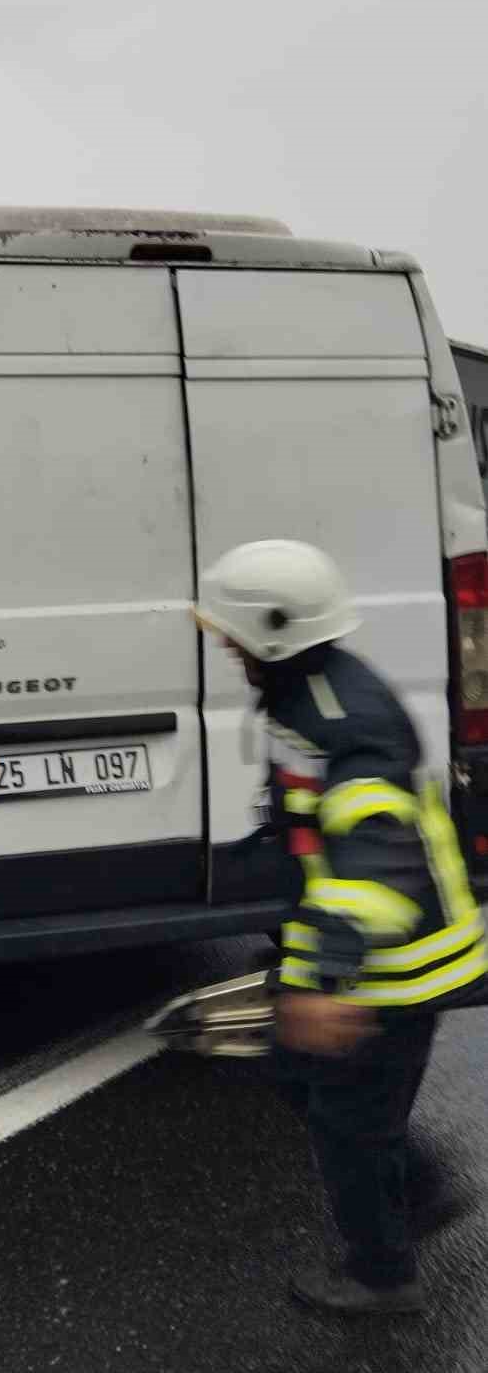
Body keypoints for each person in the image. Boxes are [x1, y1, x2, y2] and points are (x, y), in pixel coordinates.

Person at [194, 539, 487, 1315]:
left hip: (395, 964)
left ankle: (382, 1276)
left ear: (272, 634)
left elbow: (376, 863)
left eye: (232, 635)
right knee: (301, 1078)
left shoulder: (344, 720)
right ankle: (414, 1190)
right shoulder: (308, 693)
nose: (224, 646)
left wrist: (328, 980)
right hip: (353, 948)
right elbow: (310, 817)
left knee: (346, 1123)